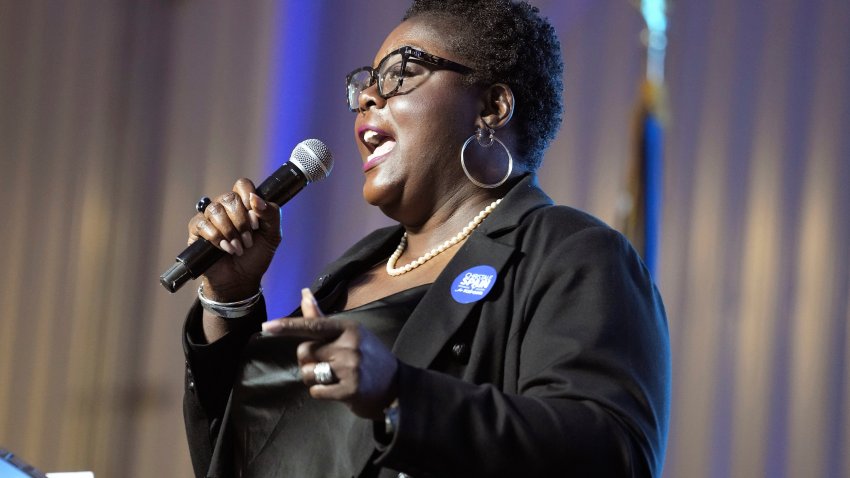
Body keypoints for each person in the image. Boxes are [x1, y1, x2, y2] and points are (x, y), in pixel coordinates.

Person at [181, 1, 671, 477]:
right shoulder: (349, 273)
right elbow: (243, 454)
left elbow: (612, 451)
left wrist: (400, 394)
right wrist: (230, 301)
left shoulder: (570, 252)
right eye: (365, 86)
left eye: (399, 73)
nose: (369, 98)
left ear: (493, 106)